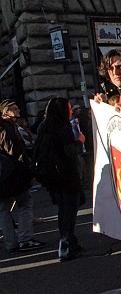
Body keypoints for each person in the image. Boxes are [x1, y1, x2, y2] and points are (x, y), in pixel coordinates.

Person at [35, 97, 84, 261]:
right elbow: (69, 152)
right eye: (69, 109)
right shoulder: (62, 127)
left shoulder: (44, 126)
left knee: (64, 211)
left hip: (53, 177)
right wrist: (79, 142)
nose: (71, 112)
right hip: (67, 175)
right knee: (69, 211)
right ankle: (66, 246)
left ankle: (70, 242)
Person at [0, 100, 46, 253]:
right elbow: (16, 153)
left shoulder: (7, 126)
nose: (18, 110)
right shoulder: (7, 128)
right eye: (14, 108)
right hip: (14, 175)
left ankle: (10, 243)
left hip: (4, 176)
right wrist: (28, 172)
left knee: (4, 209)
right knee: (24, 204)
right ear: (6, 112)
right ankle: (25, 240)